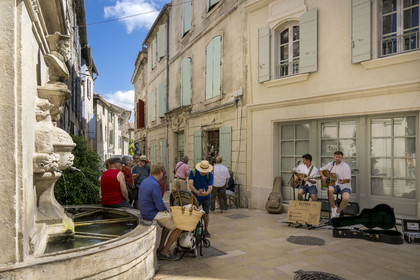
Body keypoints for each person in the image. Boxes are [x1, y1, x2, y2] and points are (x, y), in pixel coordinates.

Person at [138, 164, 182, 261]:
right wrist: (166, 211)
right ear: (160, 172)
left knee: (167, 226)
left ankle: (161, 247)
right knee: (179, 226)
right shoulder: (154, 184)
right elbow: (159, 204)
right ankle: (165, 252)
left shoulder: (146, 181)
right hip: (151, 213)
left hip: (145, 211)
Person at [319, 151, 352, 218]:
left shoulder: (346, 166)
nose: (337, 158)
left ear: (341, 158)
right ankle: (334, 208)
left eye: (339, 157)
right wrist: (323, 176)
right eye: (336, 157)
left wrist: (342, 182)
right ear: (334, 157)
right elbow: (320, 170)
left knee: (346, 198)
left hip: (344, 186)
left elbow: (347, 180)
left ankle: (338, 212)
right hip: (334, 185)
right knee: (329, 189)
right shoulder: (330, 164)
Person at [189, 160, 213, 237]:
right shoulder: (193, 172)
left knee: (206, 213)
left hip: (206, 197)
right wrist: (196, 192)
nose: (203, 173)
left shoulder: (210, 175)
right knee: (193, 212)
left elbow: (210, 187)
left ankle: (206, 230)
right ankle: (192, 228)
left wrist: (206, 193)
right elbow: (190, 184)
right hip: (195, 196)